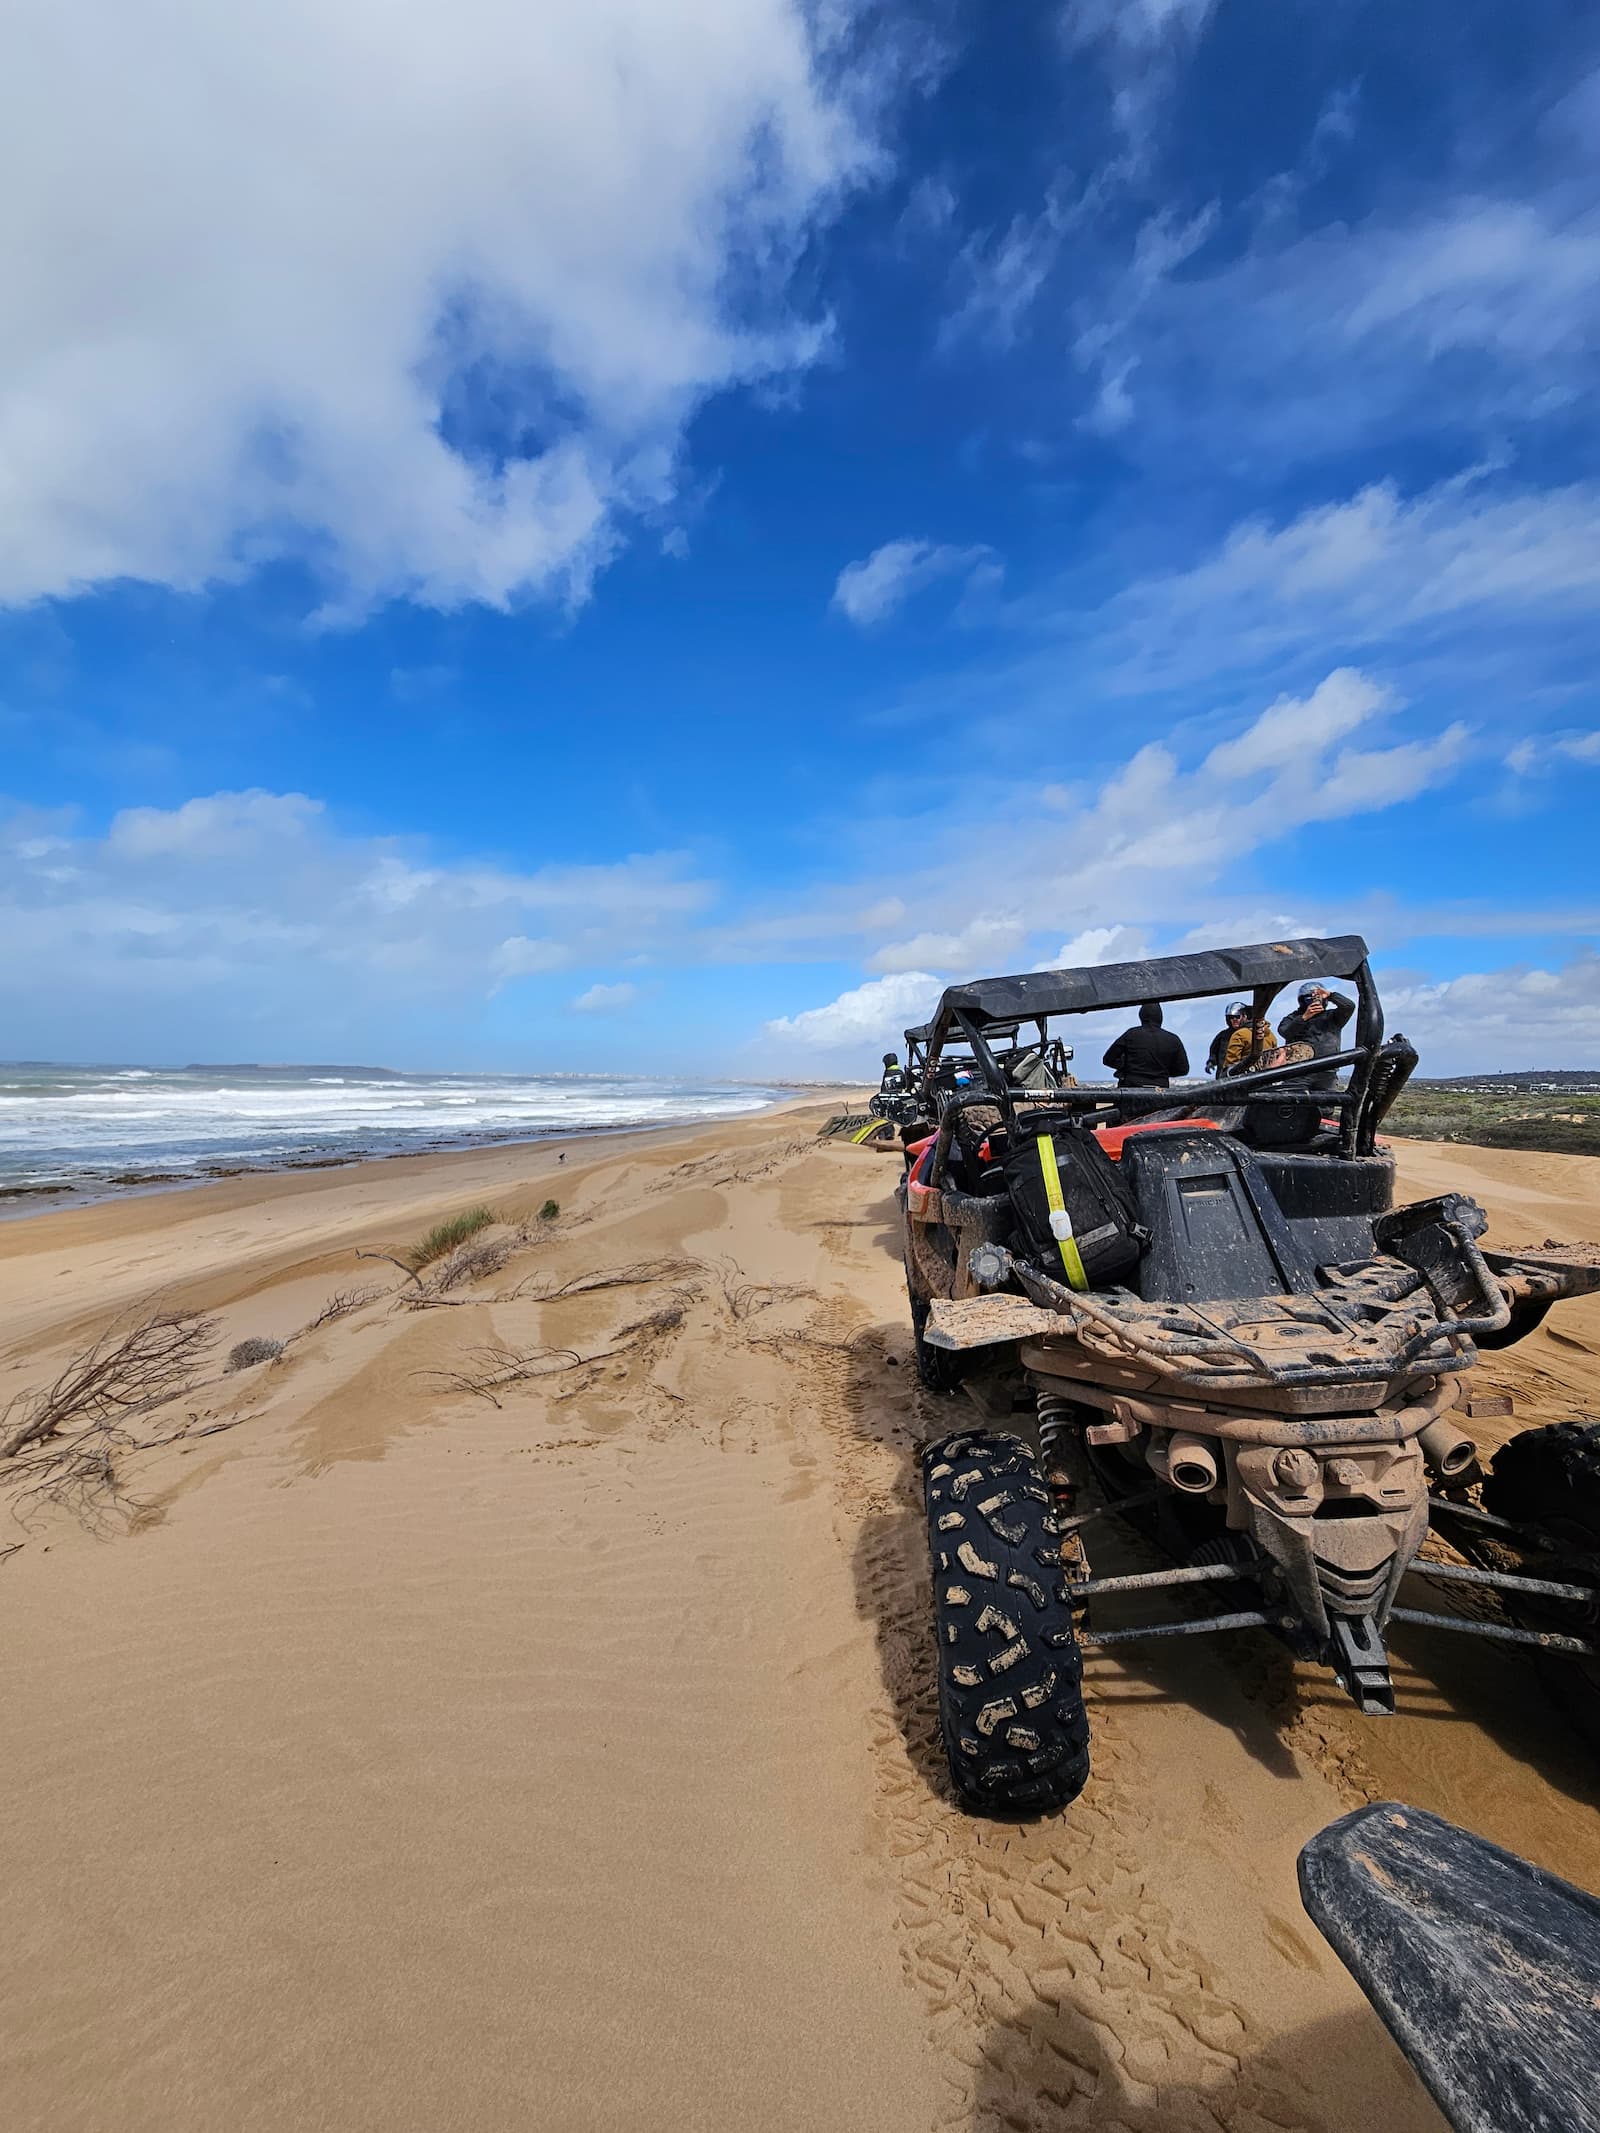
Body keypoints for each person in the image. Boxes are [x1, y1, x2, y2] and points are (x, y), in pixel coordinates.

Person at [1278, 982, 1355, 1088]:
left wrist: (1331, 995)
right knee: (1292, 1103)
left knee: (1328, 1102)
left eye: (1317, 998)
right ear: (1302, 1001)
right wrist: (1304, 1018)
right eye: (1309, 999)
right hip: (1298, 1071)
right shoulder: (1293, 1018)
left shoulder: (1332, 1017)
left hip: (1327, 1070)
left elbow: (1349, 1006)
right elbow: (1285, 1032)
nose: (1313, 1002)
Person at [1103, 1002, 1189, 1089]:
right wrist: (1162, 1072)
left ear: (1141, 1016)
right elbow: (1183, 1069)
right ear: (1160, 1018)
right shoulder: (1173, 1039)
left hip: (1132, 1088)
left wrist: (1126, 1067)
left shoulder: (1131, 1034)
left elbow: (1108, 1059)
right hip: (1160, 1090)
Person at [1222, 1005, 1277, 1075]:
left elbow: (1231, 1063)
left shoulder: (1239, 1034)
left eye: (1239, 1016)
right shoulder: (1270, 1034)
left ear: (1245, 1017)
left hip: (1248, 1079)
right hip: (1268, 1076)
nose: (1235, 1019)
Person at [1206, 1003, 1249, 1077]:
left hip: (1244, 1075)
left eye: (1237, 1017)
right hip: (1224, 1075)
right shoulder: (1223, 1036)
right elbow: (1214, 1052)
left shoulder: (1249, 1034)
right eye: (1231, 1017)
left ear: (1244, 1016)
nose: (1234, 1019)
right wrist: (1211, 1063)